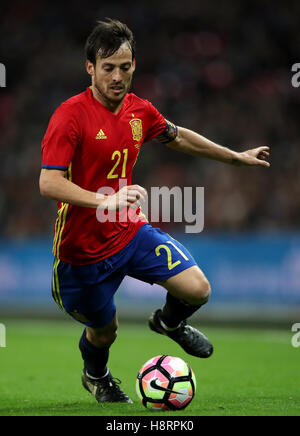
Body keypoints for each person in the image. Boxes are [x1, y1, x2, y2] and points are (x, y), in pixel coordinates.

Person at [39, 19, 270, 404]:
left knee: (198, 289)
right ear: (90, 68)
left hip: (128, 232)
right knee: (104, 331)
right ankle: (97, 375)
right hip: (81, 255)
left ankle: (169, 321)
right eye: (108, 67)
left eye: (125, 67)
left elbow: (177, 136)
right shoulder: (70, 115)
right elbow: (49, 183)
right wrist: (104, 200)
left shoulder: (139, 111)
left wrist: (235, 158)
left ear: (134, 66)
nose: (117, 76)